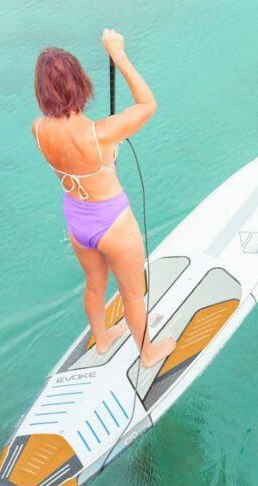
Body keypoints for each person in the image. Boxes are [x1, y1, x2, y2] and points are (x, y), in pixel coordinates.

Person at [31, 28, 175, 367]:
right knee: (131, 295)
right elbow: (147, 104)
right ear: (80, 83)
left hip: (77, 221)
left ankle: (102, 339)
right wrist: (118, 54)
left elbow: (72, 149)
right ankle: (149, 353)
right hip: (113, 224)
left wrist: (107, 144)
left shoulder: (37, 129)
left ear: (42, 92)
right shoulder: (102, 133)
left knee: (95, 287)